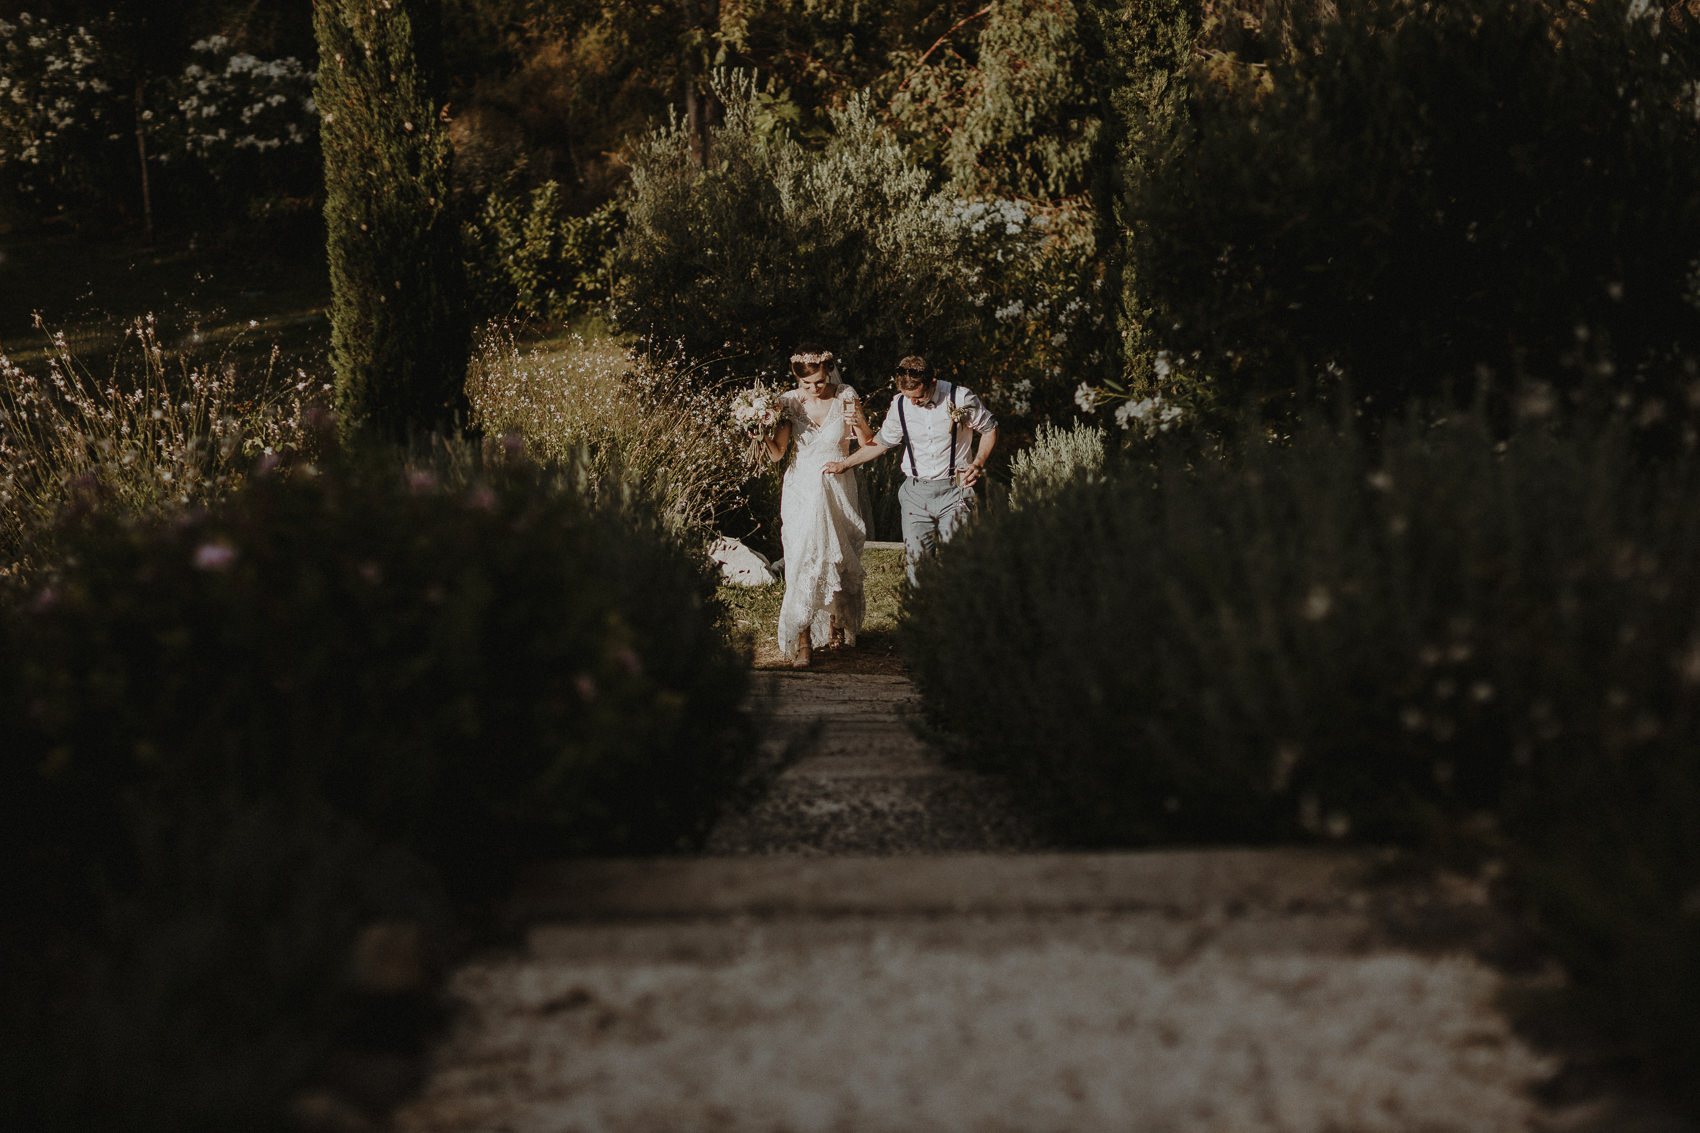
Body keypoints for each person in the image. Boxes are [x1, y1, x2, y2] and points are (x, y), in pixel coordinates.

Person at [822, 354, 997, 586]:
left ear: (932, 382)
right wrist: (844, 464)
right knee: (918, 567)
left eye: (919, 396)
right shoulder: (900, 404)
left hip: (955, 491)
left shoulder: (961, 397)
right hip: (915, 495)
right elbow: (882, 443)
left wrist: (978, 462)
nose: (913, 402)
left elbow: (990, 429)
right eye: (908, 397)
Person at [763, 343, 877, 668]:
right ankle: (803, 642)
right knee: (801, 560)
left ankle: (834, 625)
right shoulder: (788, 401)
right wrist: (759, 432)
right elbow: (778, 453)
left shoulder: (845, 395)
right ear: (797, 379)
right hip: (801, 489)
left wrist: (858, 421)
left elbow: (868, 442)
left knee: (838, 553)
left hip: (839, 486)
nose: (813, 389)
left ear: (829, 372)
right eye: (806, 384)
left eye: (819, 382)